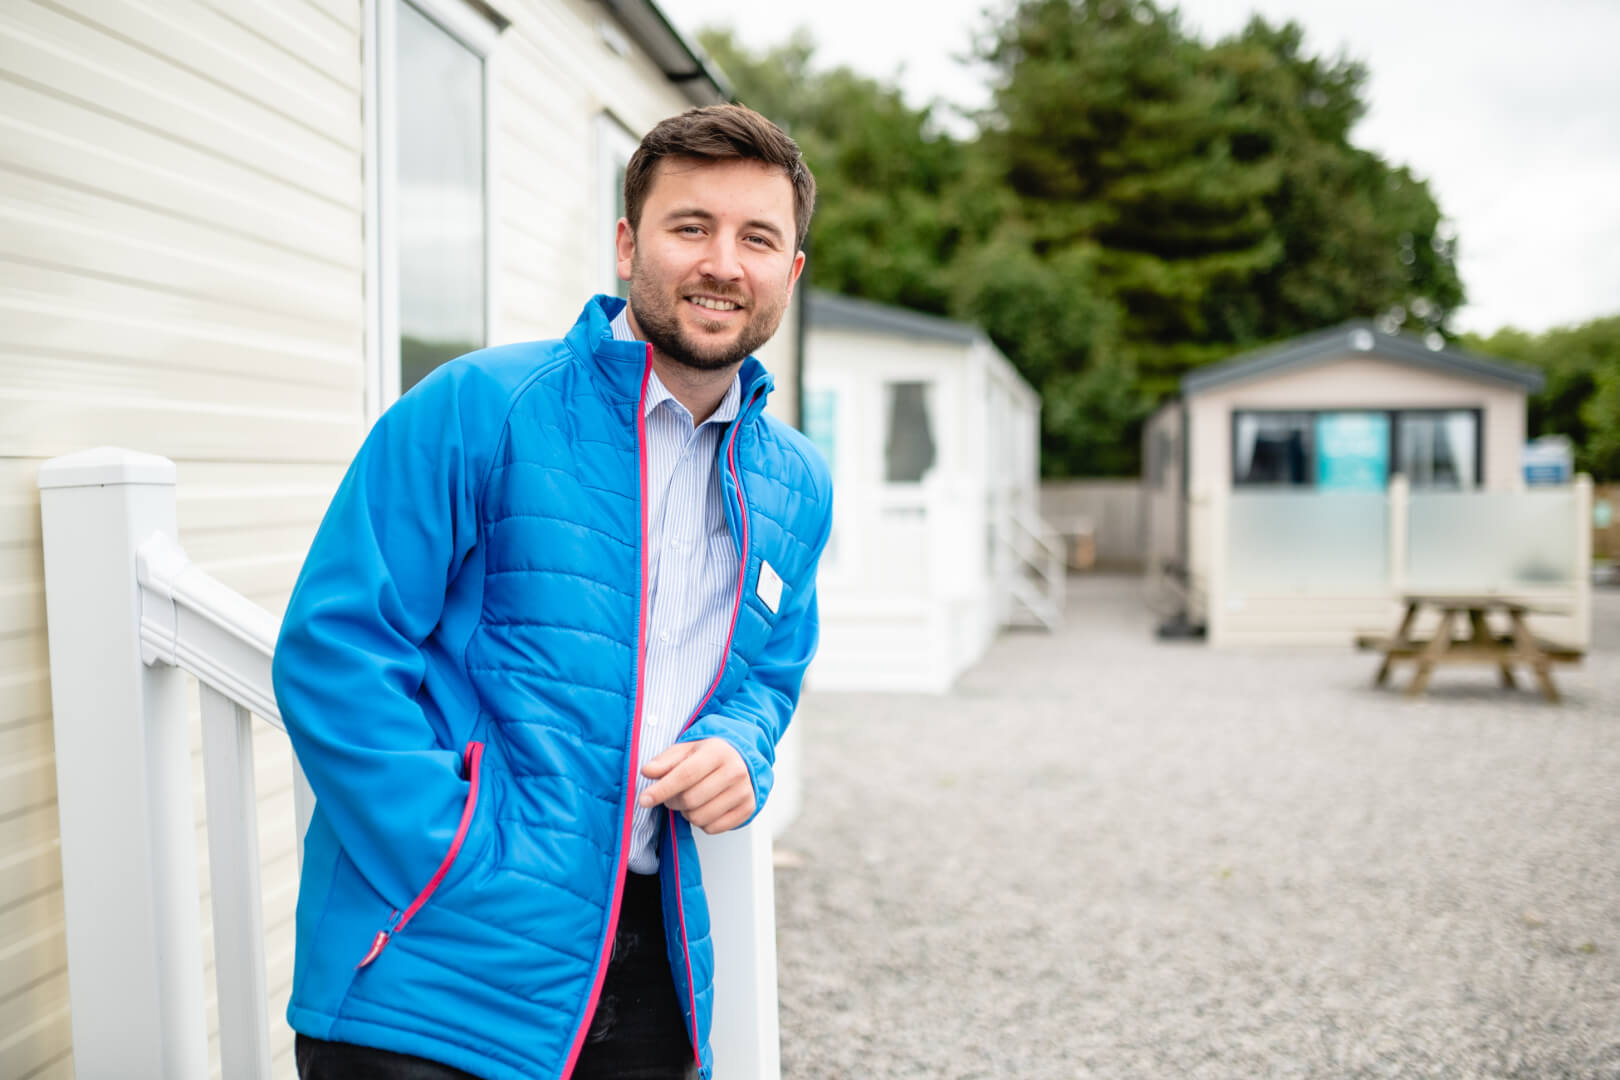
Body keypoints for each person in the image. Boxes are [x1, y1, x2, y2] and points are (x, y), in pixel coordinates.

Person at [272, 104, 831, 1080]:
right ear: (628, 245)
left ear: (791, 270)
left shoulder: (798, 483)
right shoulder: (479, 405)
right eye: (690, 226)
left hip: (657, 974)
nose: (722, 264)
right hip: (435, 972)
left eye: (758, 238)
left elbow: (769, 674)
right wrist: (459, 861)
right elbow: (335, 654)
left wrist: (742, 746)